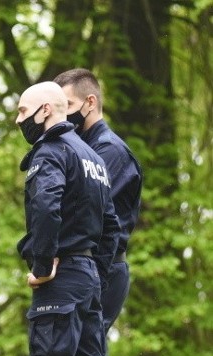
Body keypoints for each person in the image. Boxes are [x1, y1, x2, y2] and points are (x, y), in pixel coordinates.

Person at [15, 81, 121, 356]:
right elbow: (111, 226)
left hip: (61, 277)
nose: (19, 120)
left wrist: (43, 265)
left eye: (22, 111)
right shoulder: (92, 157)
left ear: (45, 110)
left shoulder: (51, 151)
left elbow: (46, 207)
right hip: (87, 277)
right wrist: (97, 274)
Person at [54, 68, 143, 332]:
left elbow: (92, 216)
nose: (62, 114)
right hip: (88, 267)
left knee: (88, 355)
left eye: (68, 105)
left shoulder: (109, 151)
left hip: (104, 266)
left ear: (90, 102)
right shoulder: (81, 149)